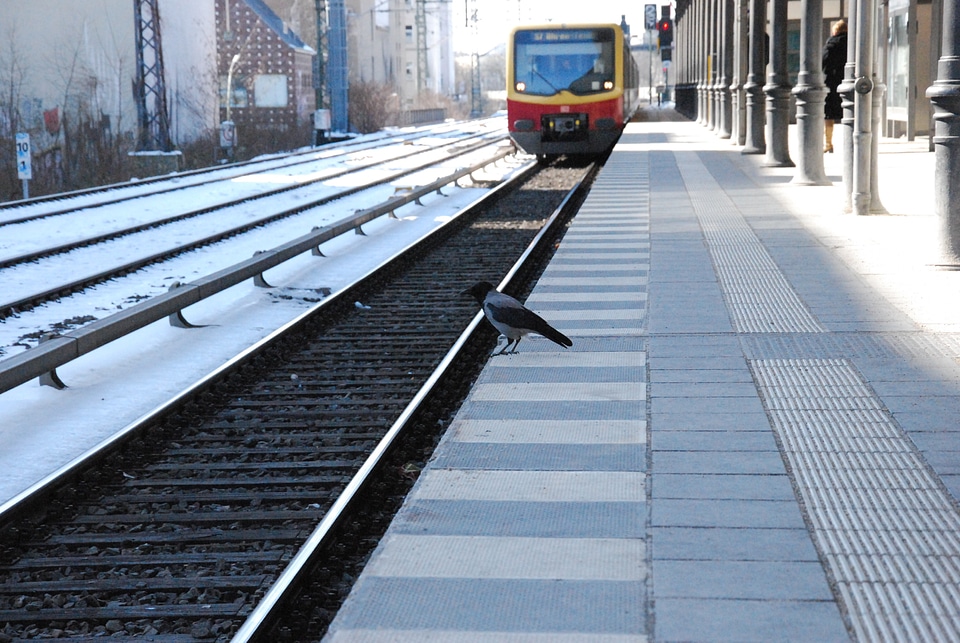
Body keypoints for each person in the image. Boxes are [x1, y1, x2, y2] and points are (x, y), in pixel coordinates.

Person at [822, 19, 848, 153]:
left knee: (829, 113)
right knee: (851, 112)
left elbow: (824, 61)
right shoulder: (852, 44)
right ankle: (851, 142)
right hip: (849, 81)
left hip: (832, 82)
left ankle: (828, 143)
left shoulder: (831, 44)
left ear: (835, 31)